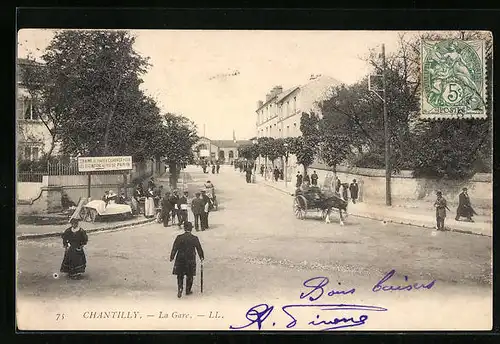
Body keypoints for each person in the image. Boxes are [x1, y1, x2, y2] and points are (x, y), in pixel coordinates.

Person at [170, 221, 205, 298]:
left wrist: (172, 257)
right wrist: (201, 257)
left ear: (184, 228)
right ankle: (188, 290)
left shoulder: (179, 237)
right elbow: (199, 248)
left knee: (180, 275)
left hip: (180, 258)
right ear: (191, 229)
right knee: (190, 275)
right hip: (190, 259)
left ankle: (180, 288)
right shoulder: (194, 238)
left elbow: (174, 248)